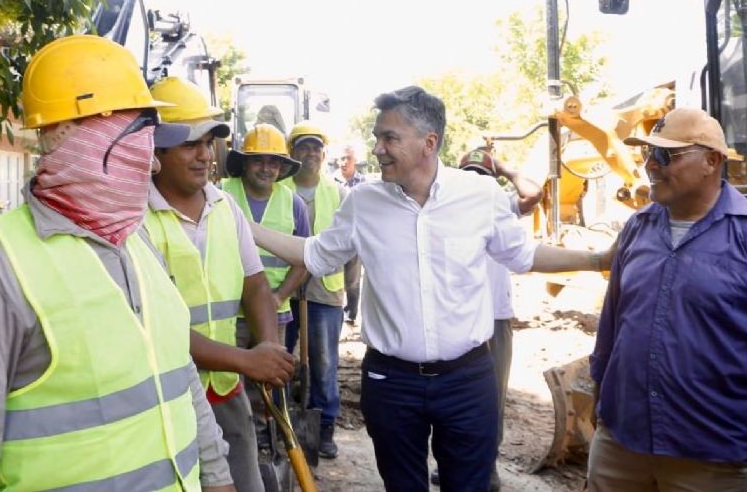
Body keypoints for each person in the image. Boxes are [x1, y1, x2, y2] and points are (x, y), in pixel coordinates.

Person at [250, 85, 613, 492]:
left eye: (389, 138)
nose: (378, 149)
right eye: (377, 137)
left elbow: (523, 254)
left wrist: (597, 260)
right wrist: (247, 229)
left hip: (467, 379)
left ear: (429, 142)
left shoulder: (479, 195)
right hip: (391, 383)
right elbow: (316, 254)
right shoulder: (363, 203)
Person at [0, 35, 235, 491]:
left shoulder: (136, 241)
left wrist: (217, 475)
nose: (153, 165)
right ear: (86, 134)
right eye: (141, 135)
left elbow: (177, 374)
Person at [146, 77, 295, 492]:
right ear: (157, 150)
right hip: (167, 392)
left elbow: (256, 286)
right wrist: (247, 361)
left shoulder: (224, 206)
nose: (205, 155)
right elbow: (154, 325)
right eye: (191, 144)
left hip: (226, 392)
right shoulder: (136, 217)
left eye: (210, 142)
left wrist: (268, 348)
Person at [587, 108, 747, 491]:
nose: (650, 167)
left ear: (711, 160)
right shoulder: (637, 227)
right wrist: (601, 403)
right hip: (621, 443)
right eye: (647, 155)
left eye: (664, 156)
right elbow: (611, 324)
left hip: (713, 456)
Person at [431, 147, 543, 490]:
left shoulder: (495, 202)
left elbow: (533, 193)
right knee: (448, 396)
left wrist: (504, 167)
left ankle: (486, 465)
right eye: (469, 173)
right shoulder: (446, 207)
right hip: (456, 317)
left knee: (490, 397)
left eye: (482, 174)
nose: (475, 180)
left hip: (494, 316)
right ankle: (449, 461)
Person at [221, 123, 310, 446]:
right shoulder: (220, 193)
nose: (266, 168)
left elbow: (304, 258)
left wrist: (278, 296)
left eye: (273, 162)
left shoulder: (293, 204)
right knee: (226, 381)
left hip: (275, 312)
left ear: (283, 167)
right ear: (244, 163)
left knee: (268, 381)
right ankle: (230, 437)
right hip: (228, 312)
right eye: (258, 160)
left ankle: (263, 439)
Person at [282, 121, 347, 459]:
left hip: (324, 292)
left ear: (324, 154)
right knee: (278, 357)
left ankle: (324, 427)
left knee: (323, 364)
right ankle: (279, 421)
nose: (310, 153)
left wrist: (352, 291)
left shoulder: (338, 192)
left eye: (315, 148)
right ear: (292, 153)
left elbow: (353, 249)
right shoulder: (279, 189)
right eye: (303, 147)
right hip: (284, 290)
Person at [332, 143, 366, 325]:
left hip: (356, 239)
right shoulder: (329, 182)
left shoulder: (363, 183)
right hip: (336, 238)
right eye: (341, 158)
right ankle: (335, 311)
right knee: (335, 279)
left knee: (352, 282)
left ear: (355, 161)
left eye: (348, 158)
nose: (344, 162)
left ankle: (350, 313)